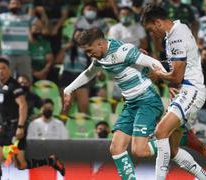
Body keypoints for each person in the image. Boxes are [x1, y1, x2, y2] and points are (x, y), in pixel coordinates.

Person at [63, 27, 166, 180]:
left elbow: (154, 62)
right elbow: (90, 72)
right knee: (116, 148)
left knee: (139, 150)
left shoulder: (123, 51)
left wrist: (172, 84)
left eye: (90, 50)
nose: (89, 54)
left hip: (147, 99)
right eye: (86, 52)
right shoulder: (100, 57)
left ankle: (173, 141)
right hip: (131, 103)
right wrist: (69, 89)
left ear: (100, 44)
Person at [141, 4, 206, 180]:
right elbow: (179, 66)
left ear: (158, 22)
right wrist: (150, 61)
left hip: (191, 91)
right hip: (186, 92)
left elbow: (176, 76)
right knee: (173, 150)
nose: (152, 34)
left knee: (160, 132)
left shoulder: (176, 36)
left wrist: (159, 75)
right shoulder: (177, 30)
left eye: (151, 29)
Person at [0, 58, 65, 180]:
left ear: (9, 70)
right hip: (6, 127)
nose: (0, 71)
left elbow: (23, 105)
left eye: (3, 68)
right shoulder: (0, 87)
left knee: (20, 164)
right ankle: (51, 161)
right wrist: (2, 124)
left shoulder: (14, 86)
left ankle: (51, 161)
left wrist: (20, 127)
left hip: (15, 127)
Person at [0, 0, 35, 81]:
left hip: (23, 55)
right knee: (5, 79)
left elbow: (38, 24)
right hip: (7, 54)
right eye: (13, 3)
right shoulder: (2, 17)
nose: (15, 5)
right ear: (9, 6)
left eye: (17, 3)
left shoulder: (26, 17)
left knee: (27, 80)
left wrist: (31, 5)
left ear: (21, 6)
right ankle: (4, 94)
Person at [57, 28, 90, 115]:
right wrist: (65, 48)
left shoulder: (87, 48)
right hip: (67, 75)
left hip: (81, 76)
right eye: (77, 35)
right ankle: (61, 127)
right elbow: (58, 61)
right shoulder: (66, 47)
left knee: (84, 107)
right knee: (66, 106)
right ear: (73, 36)